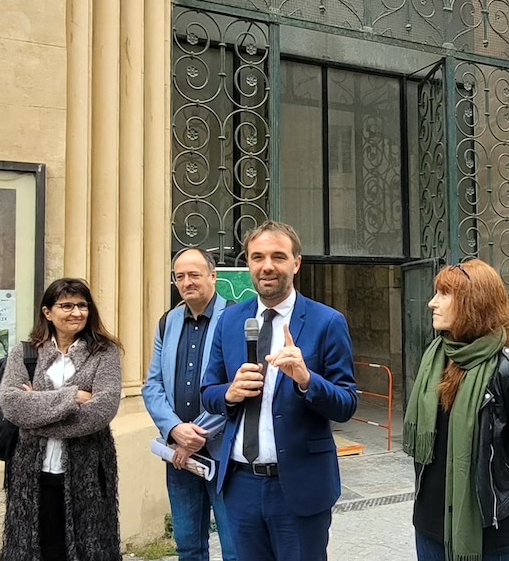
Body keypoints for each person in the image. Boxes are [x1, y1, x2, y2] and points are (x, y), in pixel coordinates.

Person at [201, 220, 357, 561]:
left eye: (278, 256)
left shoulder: (326, 322)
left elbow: (347, 403)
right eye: (257, 257)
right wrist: (230, 392)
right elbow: (208, 392)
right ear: (249, 263)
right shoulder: (229, 320)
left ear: (296, 263)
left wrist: (306, 380)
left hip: (300, 487)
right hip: (241, 485)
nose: (267, 266)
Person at [404, 260, 509, 561]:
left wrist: (504, 512)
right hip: (429, 524)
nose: (432, 303)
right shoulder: (435, 359)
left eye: (444, 294)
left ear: (473, 303)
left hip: (487, 532)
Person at [0, 278, 122, 561]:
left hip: (88, 470)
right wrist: (74, 396)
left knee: (89, 548)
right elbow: (13, 406)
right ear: (47, 312)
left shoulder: (104, 352)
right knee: (36, 548)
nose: (76, 312)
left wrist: (36, 411)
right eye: (66, 306)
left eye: (82, 305)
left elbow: (102, 411)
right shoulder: (25, 353)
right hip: (32, 470)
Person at [142, 248, 236, 561]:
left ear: (213, 276)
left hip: (226, 456)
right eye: (179, 276)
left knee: (235, 548)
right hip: (180, 459)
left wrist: (195, 436)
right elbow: (152, 385)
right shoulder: (167, 322)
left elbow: (240, 388)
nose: (187, 282)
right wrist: (174, 429)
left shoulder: (236, 318)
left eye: (194, 274)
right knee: (188, 546)